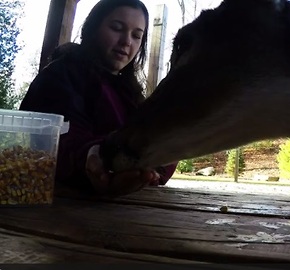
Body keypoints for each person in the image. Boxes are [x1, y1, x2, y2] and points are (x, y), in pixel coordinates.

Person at [20, 0, 177, 197]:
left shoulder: (130, 92)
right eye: (116, 28)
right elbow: (57, 140)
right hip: (63, 205)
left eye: (137, 35)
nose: (127, 41)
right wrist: (95, 158)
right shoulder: (61, 75)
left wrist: (154, 167)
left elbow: (157, 139)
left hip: (132, 208)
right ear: (93, 28)